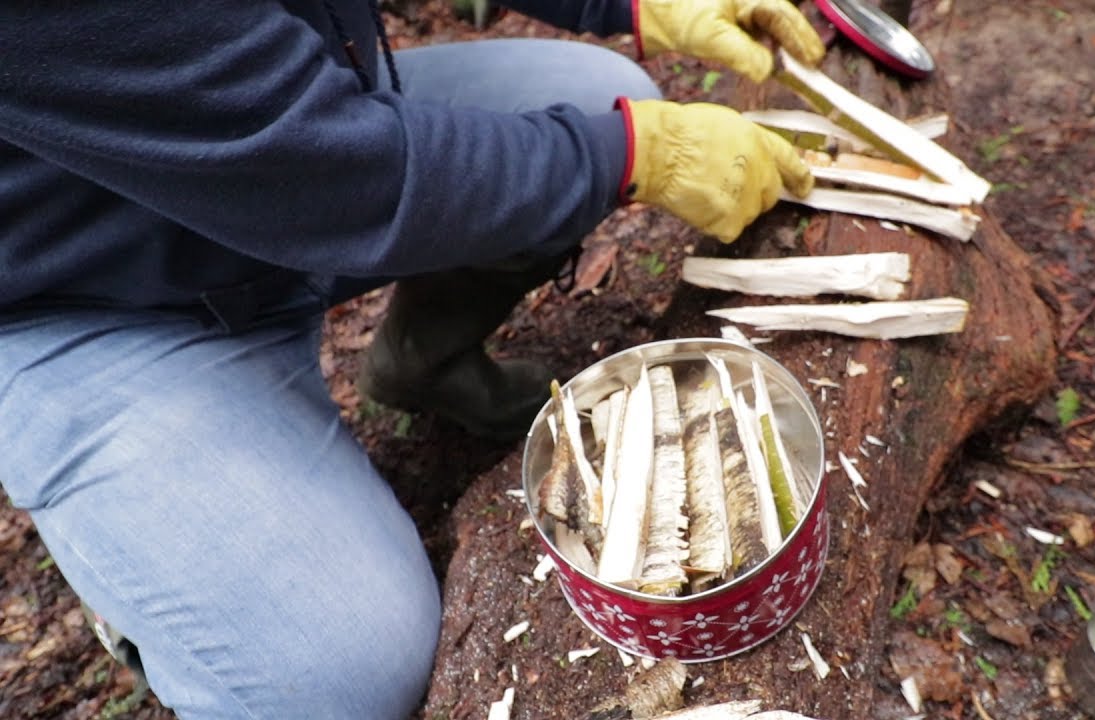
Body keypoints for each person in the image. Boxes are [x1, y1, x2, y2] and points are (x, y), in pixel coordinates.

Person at [0, 1, 823, 717]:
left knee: (596, 100)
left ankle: (422, 364)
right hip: (85, 296)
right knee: (333, 673)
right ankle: (161, 593)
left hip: (285, 133)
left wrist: (631, 2)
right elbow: (320, 172)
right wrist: (629, 157)